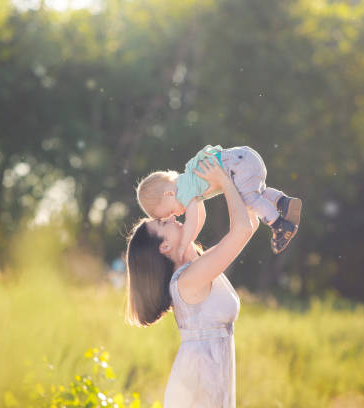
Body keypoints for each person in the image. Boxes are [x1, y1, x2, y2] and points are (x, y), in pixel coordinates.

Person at [125, 156, 259, 407]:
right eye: (165, 223)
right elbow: (241, 229)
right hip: (199, 385)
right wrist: (224, 181)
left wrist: (241, 183)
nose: (174, 218)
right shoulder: (188, 281)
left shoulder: (195, 269)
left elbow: (249, 224)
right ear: (164, 246)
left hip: (208, 379)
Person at [136, 145, 301, 257]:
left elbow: (192, 220)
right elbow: (200, 218)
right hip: (244, 158)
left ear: (169, 194)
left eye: (171, 211)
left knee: (248, 200)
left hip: (236, 165)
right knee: (257, 194)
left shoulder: (183, 191)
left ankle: (280, 225)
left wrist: (182, 245)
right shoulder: (190, 184)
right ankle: (283, 202)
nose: (176, 215)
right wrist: (191, 240)